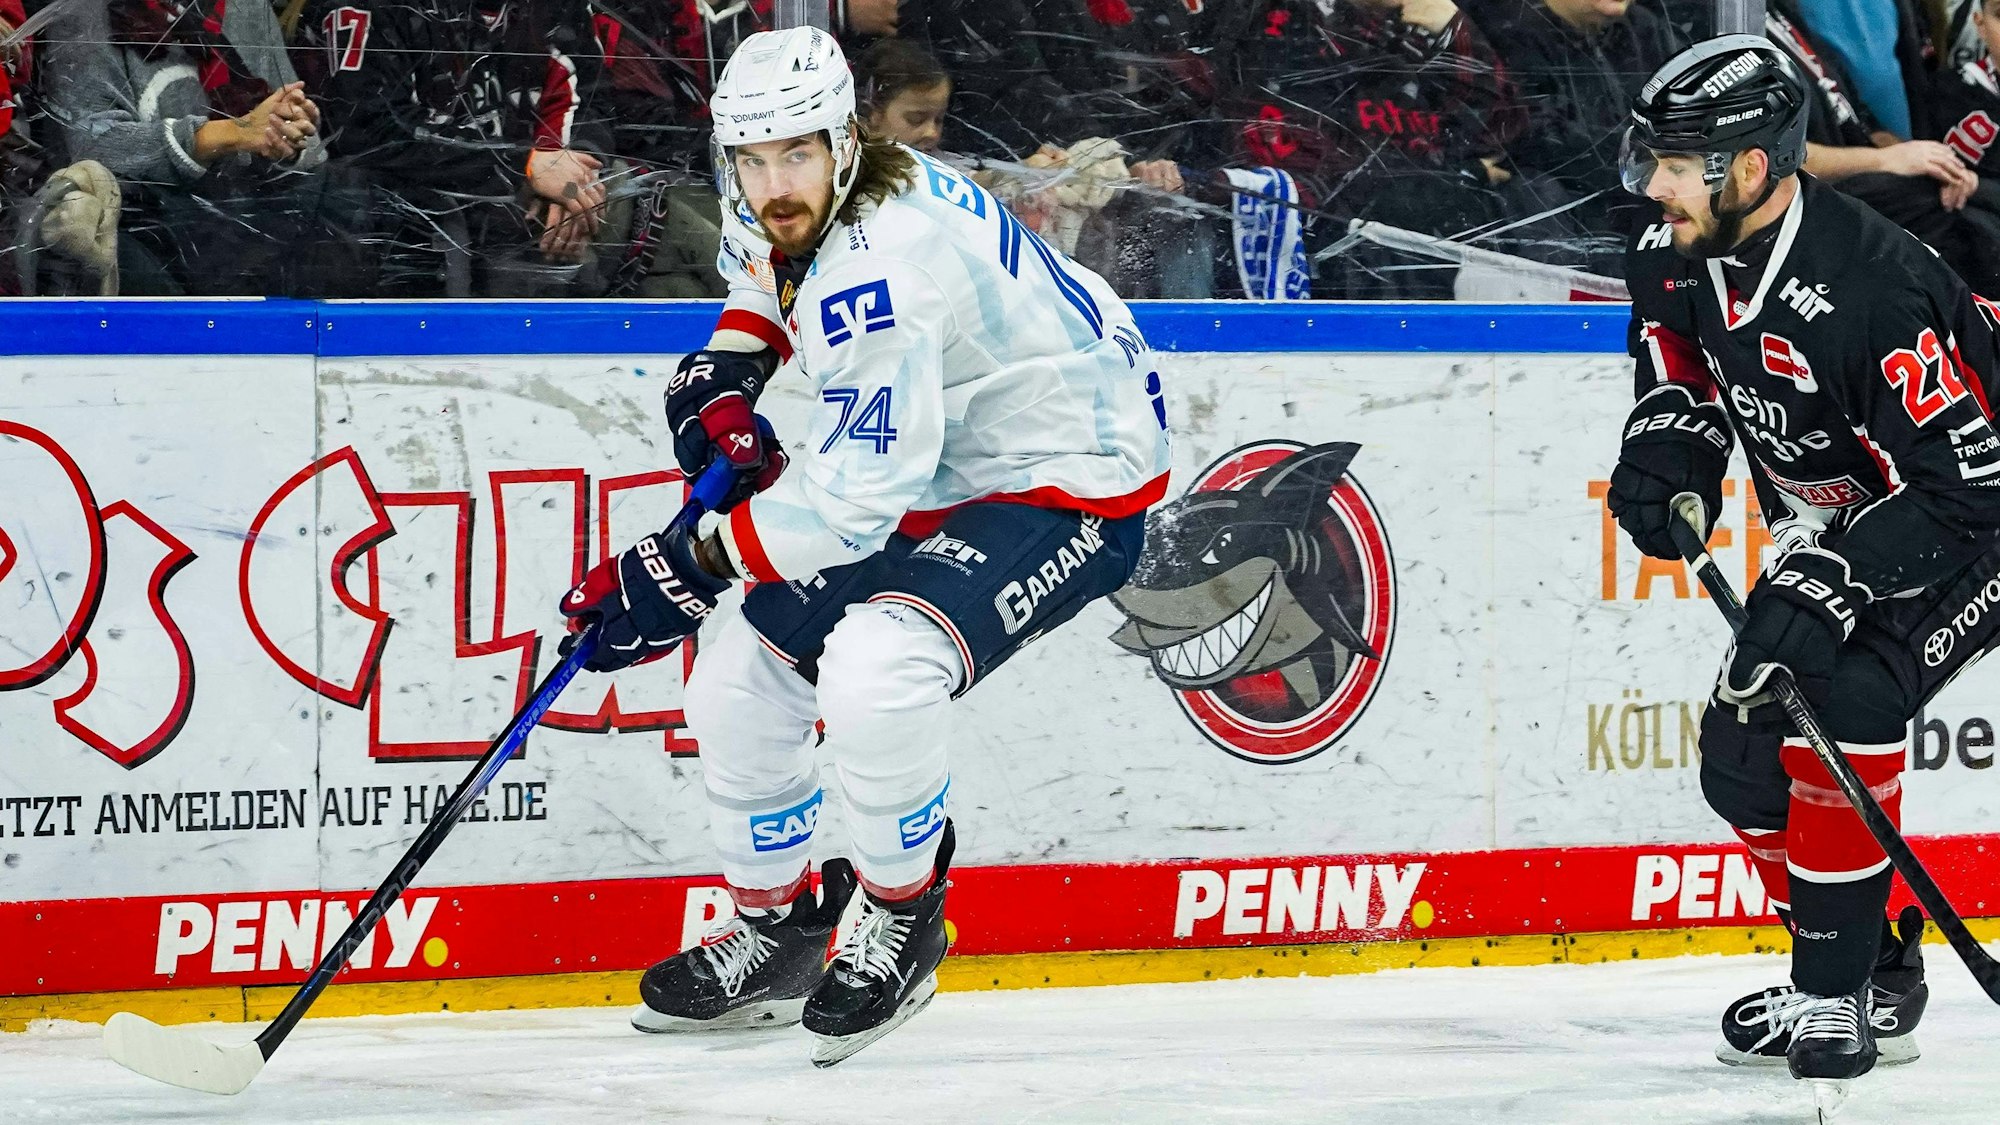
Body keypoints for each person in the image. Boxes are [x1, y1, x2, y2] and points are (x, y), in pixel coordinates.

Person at [556, 27, 1169, 1066]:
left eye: (794, 154)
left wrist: (688, 567)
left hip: (1070, 473)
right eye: (748, 160)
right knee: (740, 676)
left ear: (841, 141)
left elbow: (849, 501)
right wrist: (725, 369)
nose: (770, 183)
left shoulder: (881, 267)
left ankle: (901, 912)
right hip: (950, 458)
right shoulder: (819, 191)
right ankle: (780, 929)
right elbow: (766, 274)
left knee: (879, 668)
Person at [1608, 34, 2000, 1098]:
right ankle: (1872, 967)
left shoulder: (1870, 293)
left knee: (1843, 691)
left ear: (1748, 167)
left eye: (1677, 163)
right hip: (1858, 520)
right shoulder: (1669, 244)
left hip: (1972, 519)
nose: (1653, 183)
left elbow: (1969, 489)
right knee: (1737, 754)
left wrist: (1837, 575)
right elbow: (1673, 342)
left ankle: (1832, 992)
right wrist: (1671, 427)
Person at [856, 38, 950, 155]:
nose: (933, 133)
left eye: (939, 120)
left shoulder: (950, 167)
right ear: (872, 114)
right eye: (916, 120)